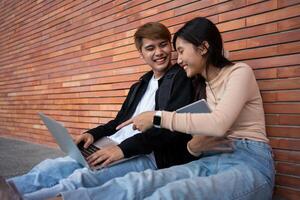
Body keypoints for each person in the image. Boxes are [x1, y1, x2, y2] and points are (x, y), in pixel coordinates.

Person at [58, 17, 275, 200]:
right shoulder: (200, 85)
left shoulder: (240, 72)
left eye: (180, 51)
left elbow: (218, 124)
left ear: (203, 47)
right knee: (144, 183)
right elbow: (195, 137)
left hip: (249, 161)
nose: (177, 59)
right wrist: (194, 147)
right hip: (211, 158)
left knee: (171, 193)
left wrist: (156, 117)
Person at [7, 22, 200, 200]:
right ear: (141, 54)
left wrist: (122, 150)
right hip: (115, 144)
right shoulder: (140, 85)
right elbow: (119, 121)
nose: (159, 52)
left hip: (147, 154)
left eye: (163, 45)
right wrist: (93, 134)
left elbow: (168, 130)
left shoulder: (180, 79)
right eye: (150, 48)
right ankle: (9, 190)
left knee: (82, 177)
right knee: (54, 166)